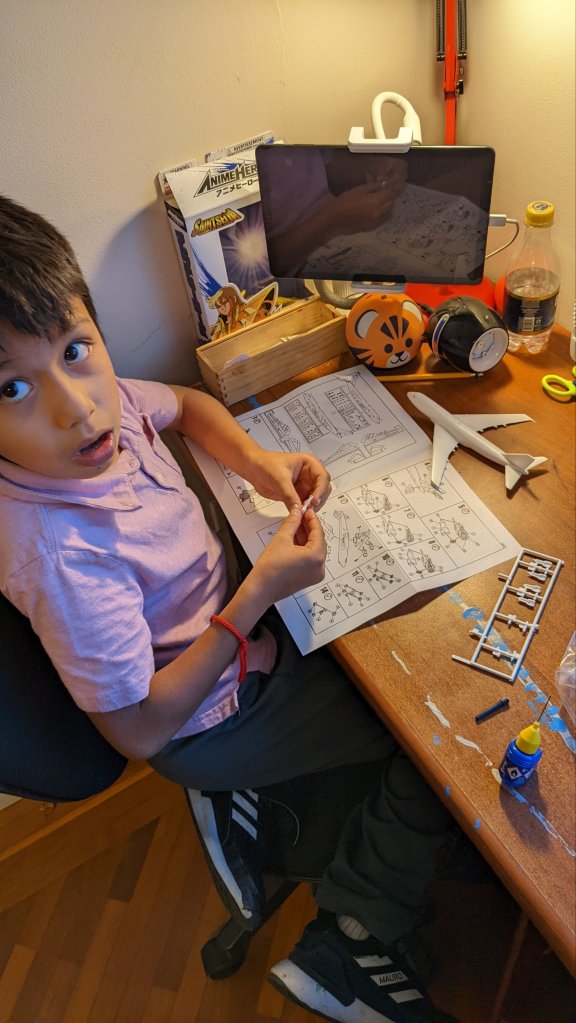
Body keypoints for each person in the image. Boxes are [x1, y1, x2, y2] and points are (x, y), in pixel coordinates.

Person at [0, 195, 460, 1023]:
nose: (77, 406)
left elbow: (184, 404)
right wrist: (257, 596)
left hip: (235, 616)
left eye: (74, 348)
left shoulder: (102, 413)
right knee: (437, 738)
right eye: (13, 387)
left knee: (418, 613)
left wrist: (257, 461)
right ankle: (351, 940)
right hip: (206, 713)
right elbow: (141, 731)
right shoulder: (60, 554)